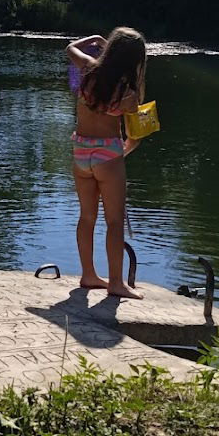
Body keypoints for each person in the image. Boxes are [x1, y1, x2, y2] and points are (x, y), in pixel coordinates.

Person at [66, 28, 148, 299]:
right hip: (107, 154)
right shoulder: (128, 93)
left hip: (80, 151)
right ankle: (115, 282)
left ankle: (88, 274)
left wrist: (95, 40)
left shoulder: (88, 69)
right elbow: (134, 136)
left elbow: (69, 48)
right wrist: (122, 152)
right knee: (114, 221)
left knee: (86, 216)